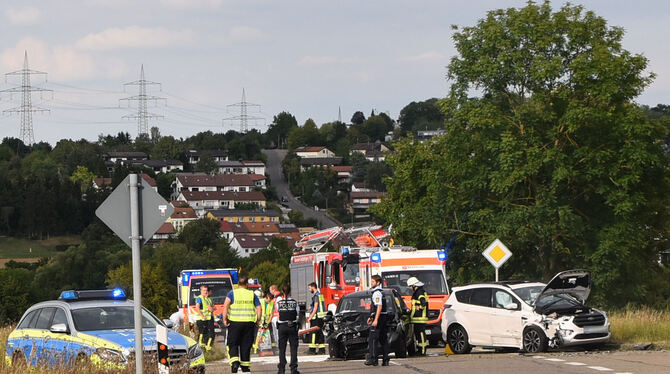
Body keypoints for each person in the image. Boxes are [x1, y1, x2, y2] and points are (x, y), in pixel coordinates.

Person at [222, 276, 262, 373]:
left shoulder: (232, 293)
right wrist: (258, 320)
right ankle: (245, 367)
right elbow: (259, 308)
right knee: (246, 345)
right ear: (247, 284)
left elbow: (226, 306)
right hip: (249, 323)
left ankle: (235, 362)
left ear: (238, 284)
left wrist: (225, 319)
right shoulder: (252, 294)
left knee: (233, 343)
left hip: (234, 323)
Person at [275, 284, 300, 374]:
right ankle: (294, 369)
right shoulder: (294, 302)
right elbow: (297, 312)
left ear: (282, 291)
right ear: (290, 291)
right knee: (293, 348)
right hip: (292, 326)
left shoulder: (279, 301)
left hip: (282, 327)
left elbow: (277, 310)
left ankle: (281, 369)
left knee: (282, 348)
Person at [365, 275, 390, 366]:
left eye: (373, 282)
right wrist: (371, 316)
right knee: (383, 339)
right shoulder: (381, 292)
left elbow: (379, 306)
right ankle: (385, 359)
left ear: (378, 282)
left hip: (379, 318)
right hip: (382, 317)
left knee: (373, 339)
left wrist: (375, 319)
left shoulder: (377, 293)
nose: (371, 283)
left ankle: (373, 359)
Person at [407, 276, 429, 355]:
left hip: (420, 318)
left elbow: (423, 302)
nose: (410, 288)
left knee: (421, 334)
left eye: (410, 286)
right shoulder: (419, 291)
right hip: (417, 318)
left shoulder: (419, 292)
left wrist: (419, 307)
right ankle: (420, 350)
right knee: (419, 334)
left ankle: (422, 350)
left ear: (414, 285)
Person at [306, 282, 326, 354]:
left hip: (316, 317)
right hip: (321, 317)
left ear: (313, 287)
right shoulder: (320, 295)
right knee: (320, 333)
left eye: (309, 288)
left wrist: (310, 317)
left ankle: (312, 349)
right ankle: (322, 349)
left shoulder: (316, 296)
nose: (309, 290)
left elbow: (316, 308)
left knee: (313, 333)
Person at [195, 285, 215, 351]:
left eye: (206, 290)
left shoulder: (207, 298)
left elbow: (213, 308)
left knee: (208, 333)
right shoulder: (199, 298)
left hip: (207, 318)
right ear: (201, 291)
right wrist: (202, 315)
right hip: (201, 319)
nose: (205, 292)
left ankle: (207, 346)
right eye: (204, 290)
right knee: (203, 332)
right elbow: (197, 308)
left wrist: (212, 308)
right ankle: (203, 344)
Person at [269, 284, 282, 353]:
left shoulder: (278, 298)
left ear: (274, 289)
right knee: (275, 334)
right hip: (275, 317)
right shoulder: (276, 297)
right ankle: (279, 347)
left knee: (277, 334)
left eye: (270, 290)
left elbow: (279, 309)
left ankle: (280, 348)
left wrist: (278, 318)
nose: (270, 292)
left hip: (277, 318)